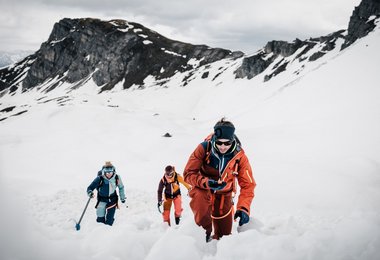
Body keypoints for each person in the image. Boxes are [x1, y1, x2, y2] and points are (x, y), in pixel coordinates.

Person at [183, 118, 256, 242]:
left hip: (224, 194)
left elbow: (248, 185)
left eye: (227, 143)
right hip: (203, 189)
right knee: (200, 201)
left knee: (224, 236)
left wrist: (243, 208)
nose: (223, 146)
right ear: (214, 140)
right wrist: (206, 183)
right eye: (219, 143)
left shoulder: (240, 157)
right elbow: (188, 174)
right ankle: (203, 238)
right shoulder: (204, 148)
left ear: (232, 140)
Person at [87, 161, 126, 226]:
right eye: (107, 172)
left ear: (113, 171)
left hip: (112, 200)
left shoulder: (117, 177)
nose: (108, 174)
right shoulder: (99, 178)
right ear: (104, 172)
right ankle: (99, 232)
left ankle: (108, 232)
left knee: (109, 221)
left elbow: (121, 187)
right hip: (102, 200)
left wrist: (122, 197)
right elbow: (90, 187)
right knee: (100, 220)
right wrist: (90, 192)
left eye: (110, 172)